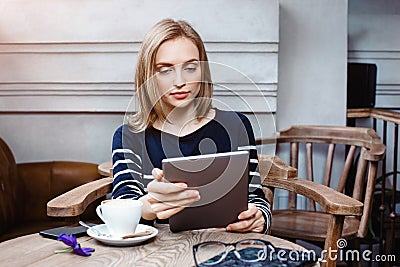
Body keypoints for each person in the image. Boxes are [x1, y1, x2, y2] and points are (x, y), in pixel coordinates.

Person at [111, 18, 271, 233]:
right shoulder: (129, 135)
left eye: (190, 67)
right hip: (156, 251)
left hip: (224, 244)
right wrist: (148, 207)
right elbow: (123, 204)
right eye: (165, 70)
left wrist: (258, 217)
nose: (179, 81)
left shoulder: (236, 126)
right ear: (148, 76)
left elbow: (255, 197)